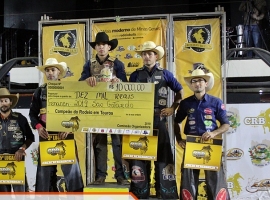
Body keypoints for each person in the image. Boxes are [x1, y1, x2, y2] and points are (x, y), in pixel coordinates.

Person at [129, 41, 182, 199]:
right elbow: (126, 97)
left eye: (150, 54)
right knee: (140, 155)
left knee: (163, 156)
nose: (146, 57)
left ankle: (164, 192)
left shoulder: (166, 74)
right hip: (139, 120)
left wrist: (173, 107)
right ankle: (140, 193)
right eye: (144, 54)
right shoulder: (135, 75)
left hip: (160, 118)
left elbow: (180, 91)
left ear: (156, 56)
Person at [79, 32, 129, 185]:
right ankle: (100, 175)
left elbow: (126, 85)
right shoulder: (89, 64)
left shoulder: (118, 64)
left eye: (104, 44)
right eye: (98, 45)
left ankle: (120, 175)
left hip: (115, 108)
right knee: (99, 143)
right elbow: (80, 83)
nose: (101, 47)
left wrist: (118, 80)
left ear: (109, 47)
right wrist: (87, 79)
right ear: (95, 47)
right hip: (96, 109)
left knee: (117, 142)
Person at [174, 68, 230, 200]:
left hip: (211, 144)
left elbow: (226, 124)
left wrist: (213, 133)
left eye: (200, 80)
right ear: (191, 84)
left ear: (206, 83)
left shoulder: (216, 102)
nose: (197, 83)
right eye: (194, 81)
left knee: (215, 180)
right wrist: (178, 138)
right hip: (191, 144)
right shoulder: (185, 103)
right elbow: (176, 122)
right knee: (188, 179)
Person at [29, 58, 84, 192]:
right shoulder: (39, 91)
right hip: (46, 135)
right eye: (47, 70)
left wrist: (69, 127)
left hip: (65, 135)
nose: (50, 73)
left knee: (71, 171)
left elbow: (77, 113)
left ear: (59, 72)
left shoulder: (69, 90)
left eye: (53, 70)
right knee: (45, 175)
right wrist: (39, 127)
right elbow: (32, 114)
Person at [0, 87, 35, 192]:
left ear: (10, 102)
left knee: (21, 194)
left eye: (6, 101)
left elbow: (30, 137)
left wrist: (22, 149)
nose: (3, 103)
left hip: (16, 159)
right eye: (1, 101)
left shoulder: (20, 118)